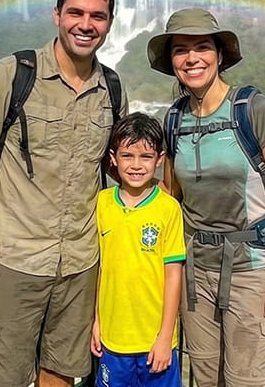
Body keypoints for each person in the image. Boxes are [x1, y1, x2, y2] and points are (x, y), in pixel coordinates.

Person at [0, 0, 128, 387]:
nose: (86, 24)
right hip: (14, 262)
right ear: (56, 15)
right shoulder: (12, 75)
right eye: (76, 12)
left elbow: (120, 165)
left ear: (109, 22)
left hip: (81, 265)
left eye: (98, 16)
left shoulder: (113, 89)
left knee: (62, 374)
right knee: (2, 378)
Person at [146, 8, 265, 387]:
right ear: (172, 61)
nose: (192, 58)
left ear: (219, 54)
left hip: (252, 270)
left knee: (247, 380)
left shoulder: (254, 109)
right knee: (206, 377)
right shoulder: (174, 119)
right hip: (196, 271)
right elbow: (171, 195)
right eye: (181, 50)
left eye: (202, 47)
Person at [91, 112, 186, 387]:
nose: (136, 165)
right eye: (127, 156)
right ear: (113, 158)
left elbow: (173, 276)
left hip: (154, 340)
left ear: (159, 160)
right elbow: (102, 268)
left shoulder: (168, 209)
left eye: (145, 157)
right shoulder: (102, 204)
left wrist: (165, 337)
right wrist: (98, 322)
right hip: (113, 339)